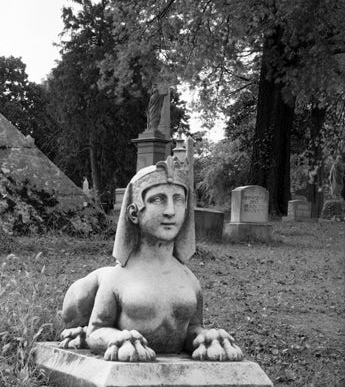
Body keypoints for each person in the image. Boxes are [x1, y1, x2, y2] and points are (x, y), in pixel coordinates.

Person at [59, 139, 242, 362]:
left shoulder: (190, 280)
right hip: (91, 312)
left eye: (178, 200)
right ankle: (75, 325)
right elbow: (97, 331)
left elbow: (192, 329)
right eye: (158, 200)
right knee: (85, 289)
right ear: (134, 214)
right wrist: (113, 338)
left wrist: (205, 337)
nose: (170, 211)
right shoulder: (117, 278)